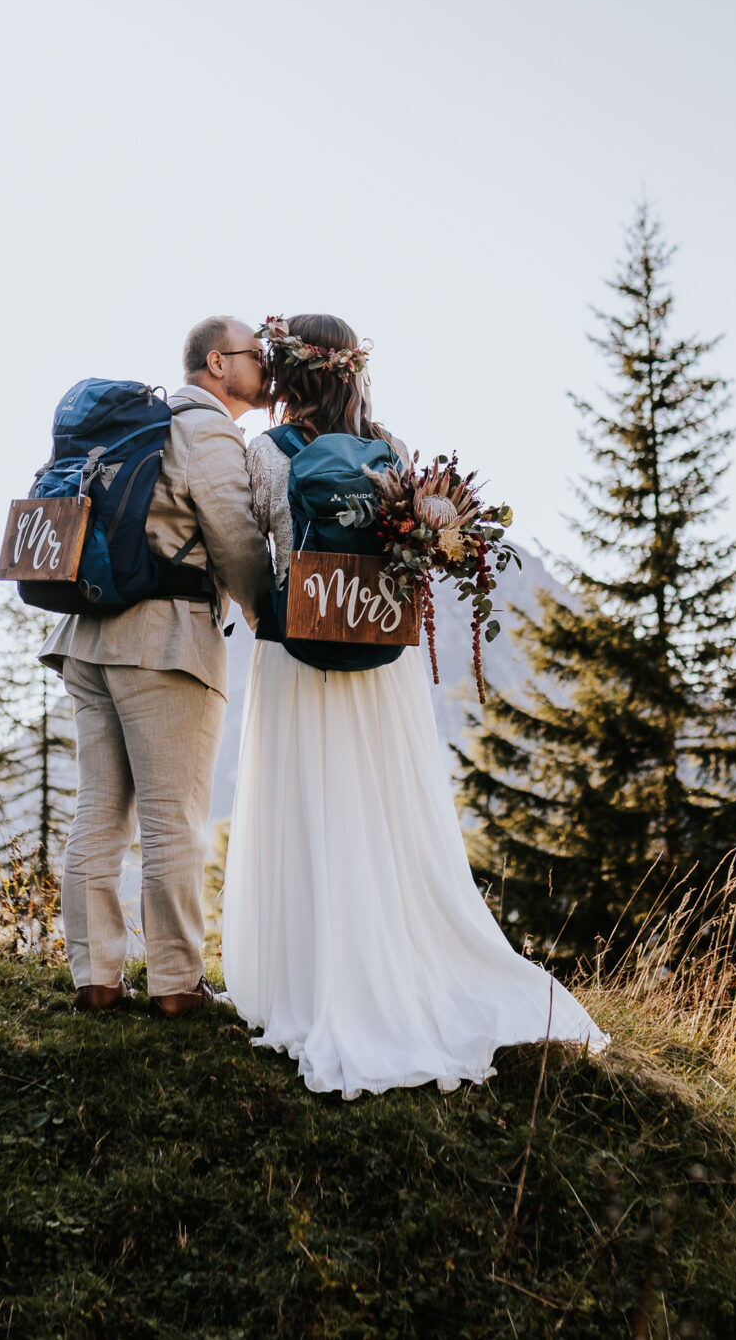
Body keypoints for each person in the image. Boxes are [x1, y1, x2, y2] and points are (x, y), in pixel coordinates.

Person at [223, 312, 607, 1096]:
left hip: (296, 650)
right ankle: (400, 962)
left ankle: (310, 976)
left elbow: (256, 543)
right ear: (352, 370)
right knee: (382, 813)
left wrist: (268, 613)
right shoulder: (393, 451)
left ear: (290, 375)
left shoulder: (263, 454)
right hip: (381, 656)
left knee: (309, 806)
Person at [42, 316, 273, 1017]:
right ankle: (176, 983)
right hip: (164, 643)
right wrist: (269, 616)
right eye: (253, 355)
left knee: (99, 814)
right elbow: (233, 537)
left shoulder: (138, 424)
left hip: (89, 637)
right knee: (175, 821)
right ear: (215, 361)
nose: (264, 366)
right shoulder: (205, 428)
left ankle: (97, 976)